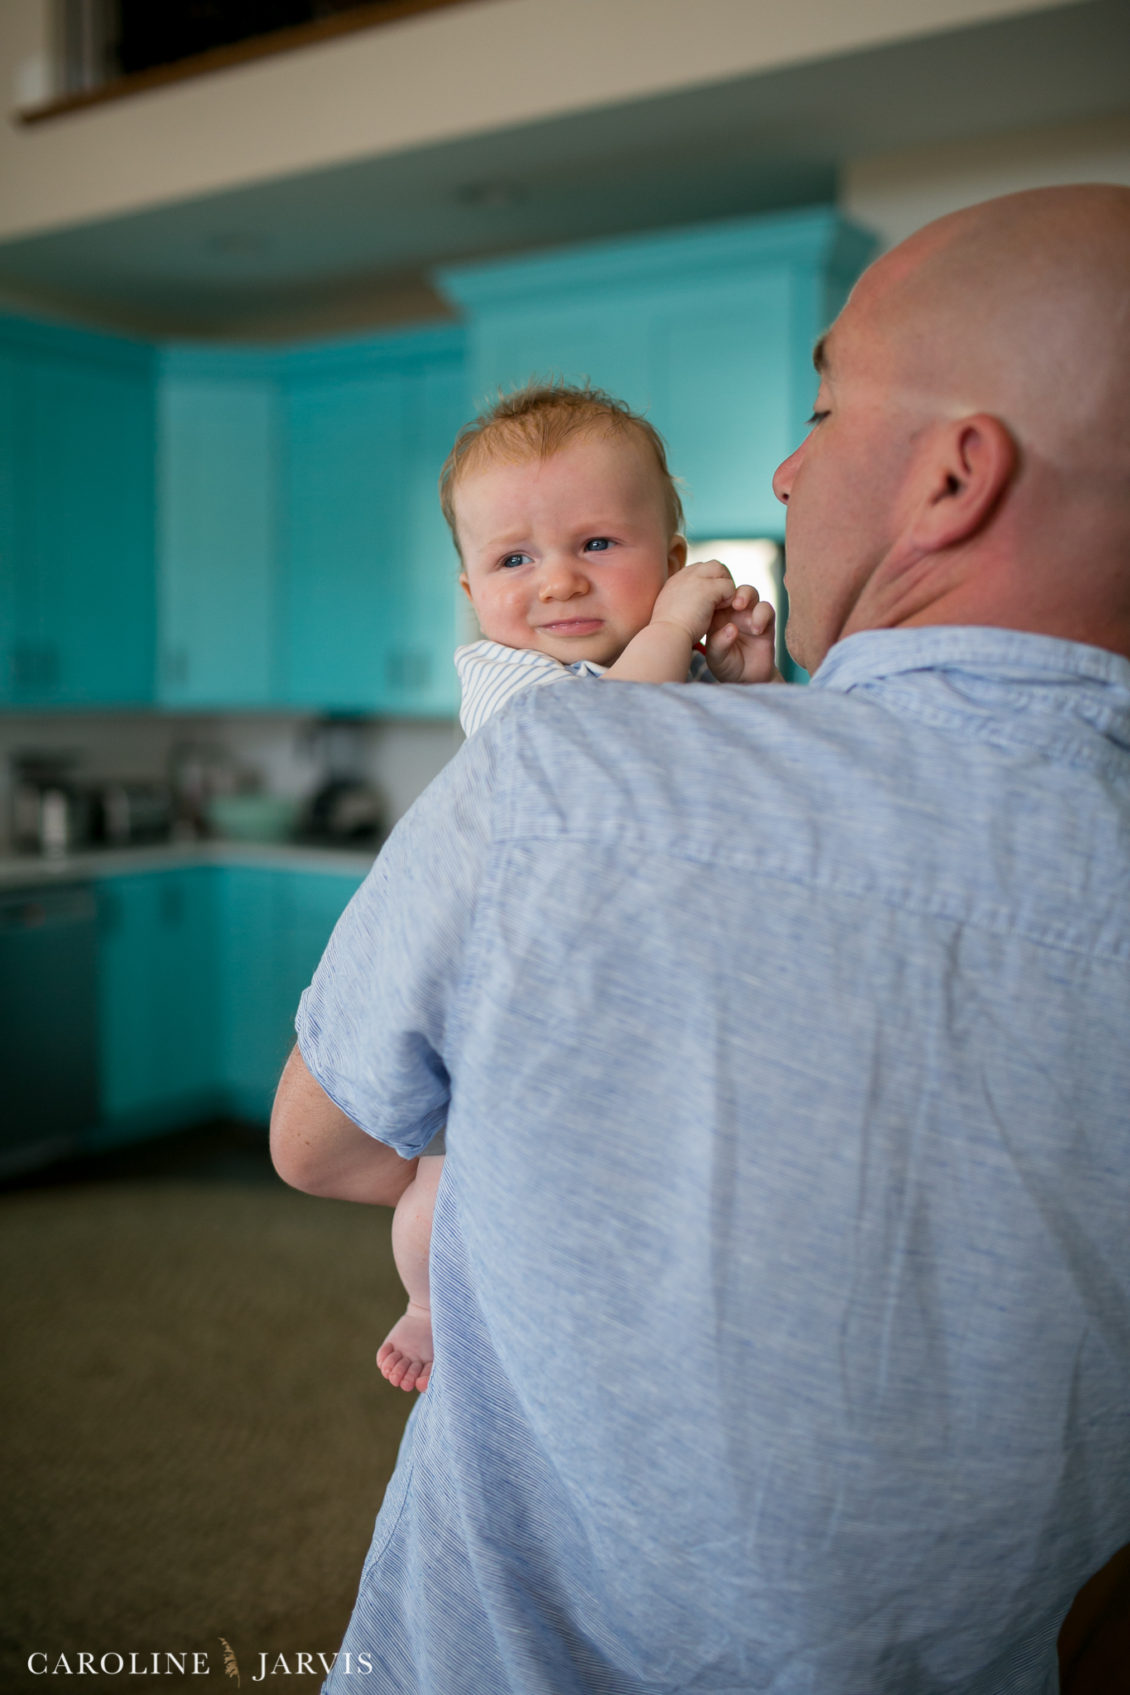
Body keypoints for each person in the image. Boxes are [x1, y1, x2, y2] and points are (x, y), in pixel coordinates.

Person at [270, 184, 1130, 1695]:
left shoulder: (563, 778)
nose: (789, 466)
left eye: (821, 405)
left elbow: (322, 1144)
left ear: (953, 475)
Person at [377, 381, 779, 1394]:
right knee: (444, 1173)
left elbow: (748, 788)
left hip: (633, 986)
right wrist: (679, 624)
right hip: (507, 993)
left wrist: (747, 687)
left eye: (596, 544)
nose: (555, 581)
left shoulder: (667, 671)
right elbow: (613, 746)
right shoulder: (507, 681)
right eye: (513, 559)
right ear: (471, 591)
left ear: (671, 556)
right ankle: (427, 1304)